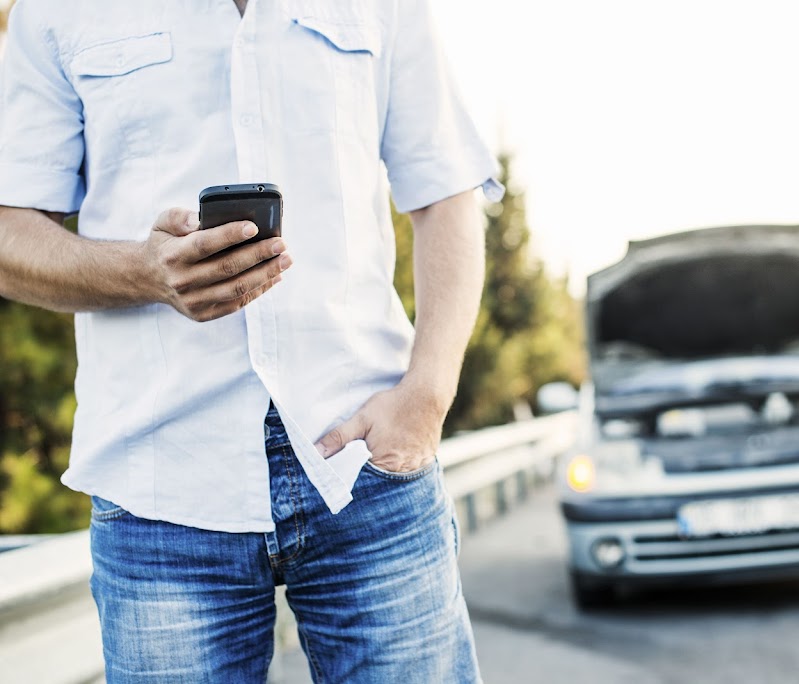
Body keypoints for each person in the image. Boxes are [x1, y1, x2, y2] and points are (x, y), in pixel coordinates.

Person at [0, 0, 502, 681]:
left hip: (367, 468)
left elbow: (446, 193)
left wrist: (427, 397)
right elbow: (7, 232)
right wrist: (142, 272)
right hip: (158, 491)